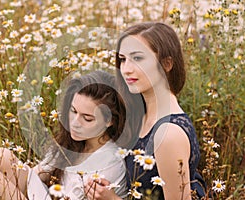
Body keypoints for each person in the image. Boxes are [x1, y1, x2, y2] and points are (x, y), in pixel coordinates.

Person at [0, 70, 128, 200]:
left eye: (87, 118)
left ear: (109, 121)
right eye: (73, 111)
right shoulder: (75, 142)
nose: (75, 122)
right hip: (45, 195)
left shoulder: (109, 162)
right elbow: (39, 173)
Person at [85, 22, 206, 200]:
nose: (126, 69)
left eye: (138, 58)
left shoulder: (168, 134)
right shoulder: (140, 116)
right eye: (123, 59)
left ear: (167, 64)